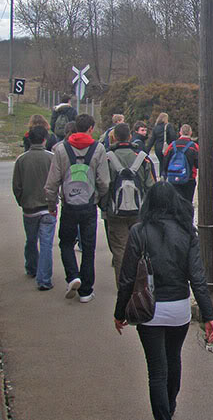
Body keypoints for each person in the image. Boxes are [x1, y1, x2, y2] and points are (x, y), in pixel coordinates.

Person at [113, 181, 213, 420]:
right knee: (174, 360)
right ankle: (169, 406)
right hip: (179, 310)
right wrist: (208, 315)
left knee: (156, 372)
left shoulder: (139, 232)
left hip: (148, 311)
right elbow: (197, 276)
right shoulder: (186, 233)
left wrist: (119, 312)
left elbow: (126, 278)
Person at [44, 113, 109, 303]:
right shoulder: (98, 149)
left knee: (66, 243)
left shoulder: (61, 149)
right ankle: (86, 291)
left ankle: (73, 276)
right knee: (88, 248)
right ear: (90, 128)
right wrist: (97, 196)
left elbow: (52, 182)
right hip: (89, 205)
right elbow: (104, 181)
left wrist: (51, 204)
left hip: (69, 205)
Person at [102, 122, 156, 287]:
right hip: (139, 211)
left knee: (119, 250)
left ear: (115, 137)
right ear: (130, 136)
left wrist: (104, 207)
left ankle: (124, 286)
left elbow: (103, 184)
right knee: (140, 248)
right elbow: (152, 186)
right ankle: (141, 284)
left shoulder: (107, 158)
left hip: (115, 211)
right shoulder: (143, 158)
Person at [12, 125, 56, 290]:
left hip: (29, 208)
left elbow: (16, 186)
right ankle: (44, 279)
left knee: (31, 240)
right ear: (45, 139)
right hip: (47, 207)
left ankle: (31, 267)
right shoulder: (51, 158)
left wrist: (22, 201)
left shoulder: (21, 160)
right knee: (46, 243)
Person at [161, 124, 199, 204]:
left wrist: (164, 175)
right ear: (190, 133)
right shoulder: (194, 146)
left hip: (173, 177)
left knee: (176, 203)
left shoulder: (172, 145)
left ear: (180, 132)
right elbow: (198, 164)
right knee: (187, 202)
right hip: (189, 178)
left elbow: (165, 161)